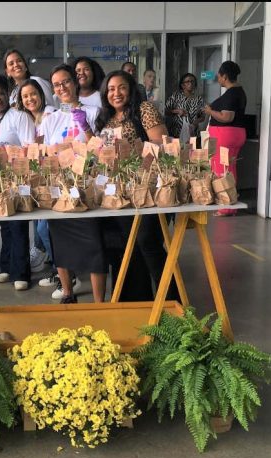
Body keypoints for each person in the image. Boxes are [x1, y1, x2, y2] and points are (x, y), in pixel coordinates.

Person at [95, 69, 179, 302]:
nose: (116, 93)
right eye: (111, 89)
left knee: (147, 241)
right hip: (119, 191)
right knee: (126, 247)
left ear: (131, 89)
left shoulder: (145, 109)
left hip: (149, 189)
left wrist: (132, 155)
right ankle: (135, 301)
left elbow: (160, 144)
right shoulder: (106, 118)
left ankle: (173, 301)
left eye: (121, 87)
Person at [40, 64, 103, 304]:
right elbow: (45, 153)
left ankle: (99, 301)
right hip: (61, 186)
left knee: (94, 243)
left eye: (66, 81)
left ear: (75, 82)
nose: (62, 87)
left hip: (87, 186)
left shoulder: (94, 111)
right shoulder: (51, 118)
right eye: (57, 84)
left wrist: (86, 127)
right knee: (60, 241)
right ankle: (68, 291)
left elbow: (100, 149)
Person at [0, 73, 36, 291]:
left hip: (17, 177)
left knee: (18, 224)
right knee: (4, 224)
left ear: (7, 94)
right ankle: (7, 267)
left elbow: (30, 148)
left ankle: (21, 273)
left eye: (0, 93)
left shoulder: (19, 116)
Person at [14, 78, 54, 275]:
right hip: (35, 178)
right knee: (39, 224)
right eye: (25, 96)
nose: (30, 99)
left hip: (51, 177)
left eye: (33, 94)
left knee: (43, 228)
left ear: (41, 94)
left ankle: (62, 270)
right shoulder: (28, 119)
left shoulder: (50, 115)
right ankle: (52, 262)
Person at [204, 61, 247, 217]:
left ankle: (225, 207)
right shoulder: (239, 92)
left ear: (225, 76)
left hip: (226, 134)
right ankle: (230, 204)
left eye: (219, 75)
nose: (218, 78)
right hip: (236, 134)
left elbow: (227, 117)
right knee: (230, 170)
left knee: (221, 169)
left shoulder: (231, 93)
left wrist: (210, 111)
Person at [165, 72, 205, 140]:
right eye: (188, 81)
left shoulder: (199, 99)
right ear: (182, 85)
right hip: (177, 133)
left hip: (193, 134)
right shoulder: (175, 96)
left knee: (192, 150)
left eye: (192, 81)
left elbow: (202, 117)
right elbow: (165, 111)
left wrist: (195, 123)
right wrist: (177, 111)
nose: (191, 83)